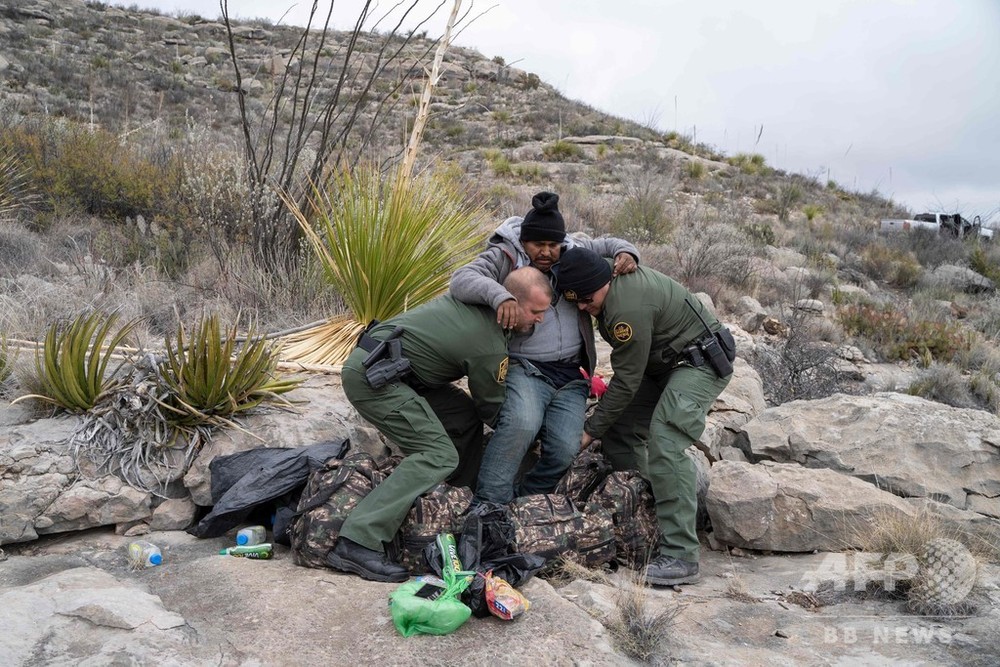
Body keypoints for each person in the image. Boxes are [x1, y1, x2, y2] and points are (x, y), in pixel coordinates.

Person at [327, 267, 553, 582]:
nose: (540, 319)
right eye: (535, 311)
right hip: (374, 380)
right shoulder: (488, 343)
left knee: (463, 415)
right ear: (511, 303)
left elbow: (478, 410)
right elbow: (491, 405)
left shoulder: (480, 309)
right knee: (437, 453)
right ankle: (357, 540)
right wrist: (529, 435)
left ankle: (453, 502)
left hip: (402, 375)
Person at [555, 247, 735, 586]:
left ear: (600, 281)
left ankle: (681, 553)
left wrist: (589, 432)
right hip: (662, 365)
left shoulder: (626, 309)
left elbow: (625, 382)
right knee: (620, 430)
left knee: (665, 439)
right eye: (575, 300)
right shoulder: (603, 274)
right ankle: (641, 516)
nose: (582, 306)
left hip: (698, 366)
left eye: (586, 299)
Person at [449, 191, 639, 504]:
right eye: (539, 245)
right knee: (521, 425)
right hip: (526, 367)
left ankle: (523, 505)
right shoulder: (505, 255)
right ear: (525, 240)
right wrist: (500, 296)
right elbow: (461, 279)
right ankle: (489, 506)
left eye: (554, 245)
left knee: (566, 448)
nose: (547, 253)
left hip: (571, 376)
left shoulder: (573, 250)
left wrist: (627, 252)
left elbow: (609, 243)